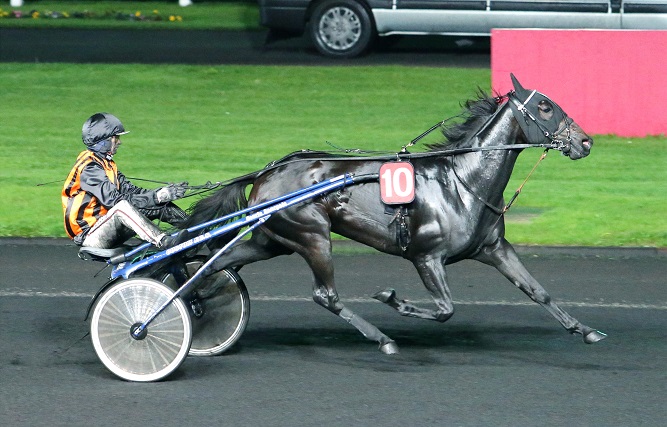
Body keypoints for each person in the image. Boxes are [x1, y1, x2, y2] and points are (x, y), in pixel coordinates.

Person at [62, 112, 189, 250]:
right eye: (115, 138)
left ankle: (198, 231)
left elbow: (133, 191)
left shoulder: (107, 164)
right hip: (90, 236)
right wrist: (156, 197)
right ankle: (163, 241)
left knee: (159, 205)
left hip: (107, 226)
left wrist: (162, 194)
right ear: (103, 141)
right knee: (122, 207)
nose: (119, 142)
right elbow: (115, 202)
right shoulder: (90, 168)